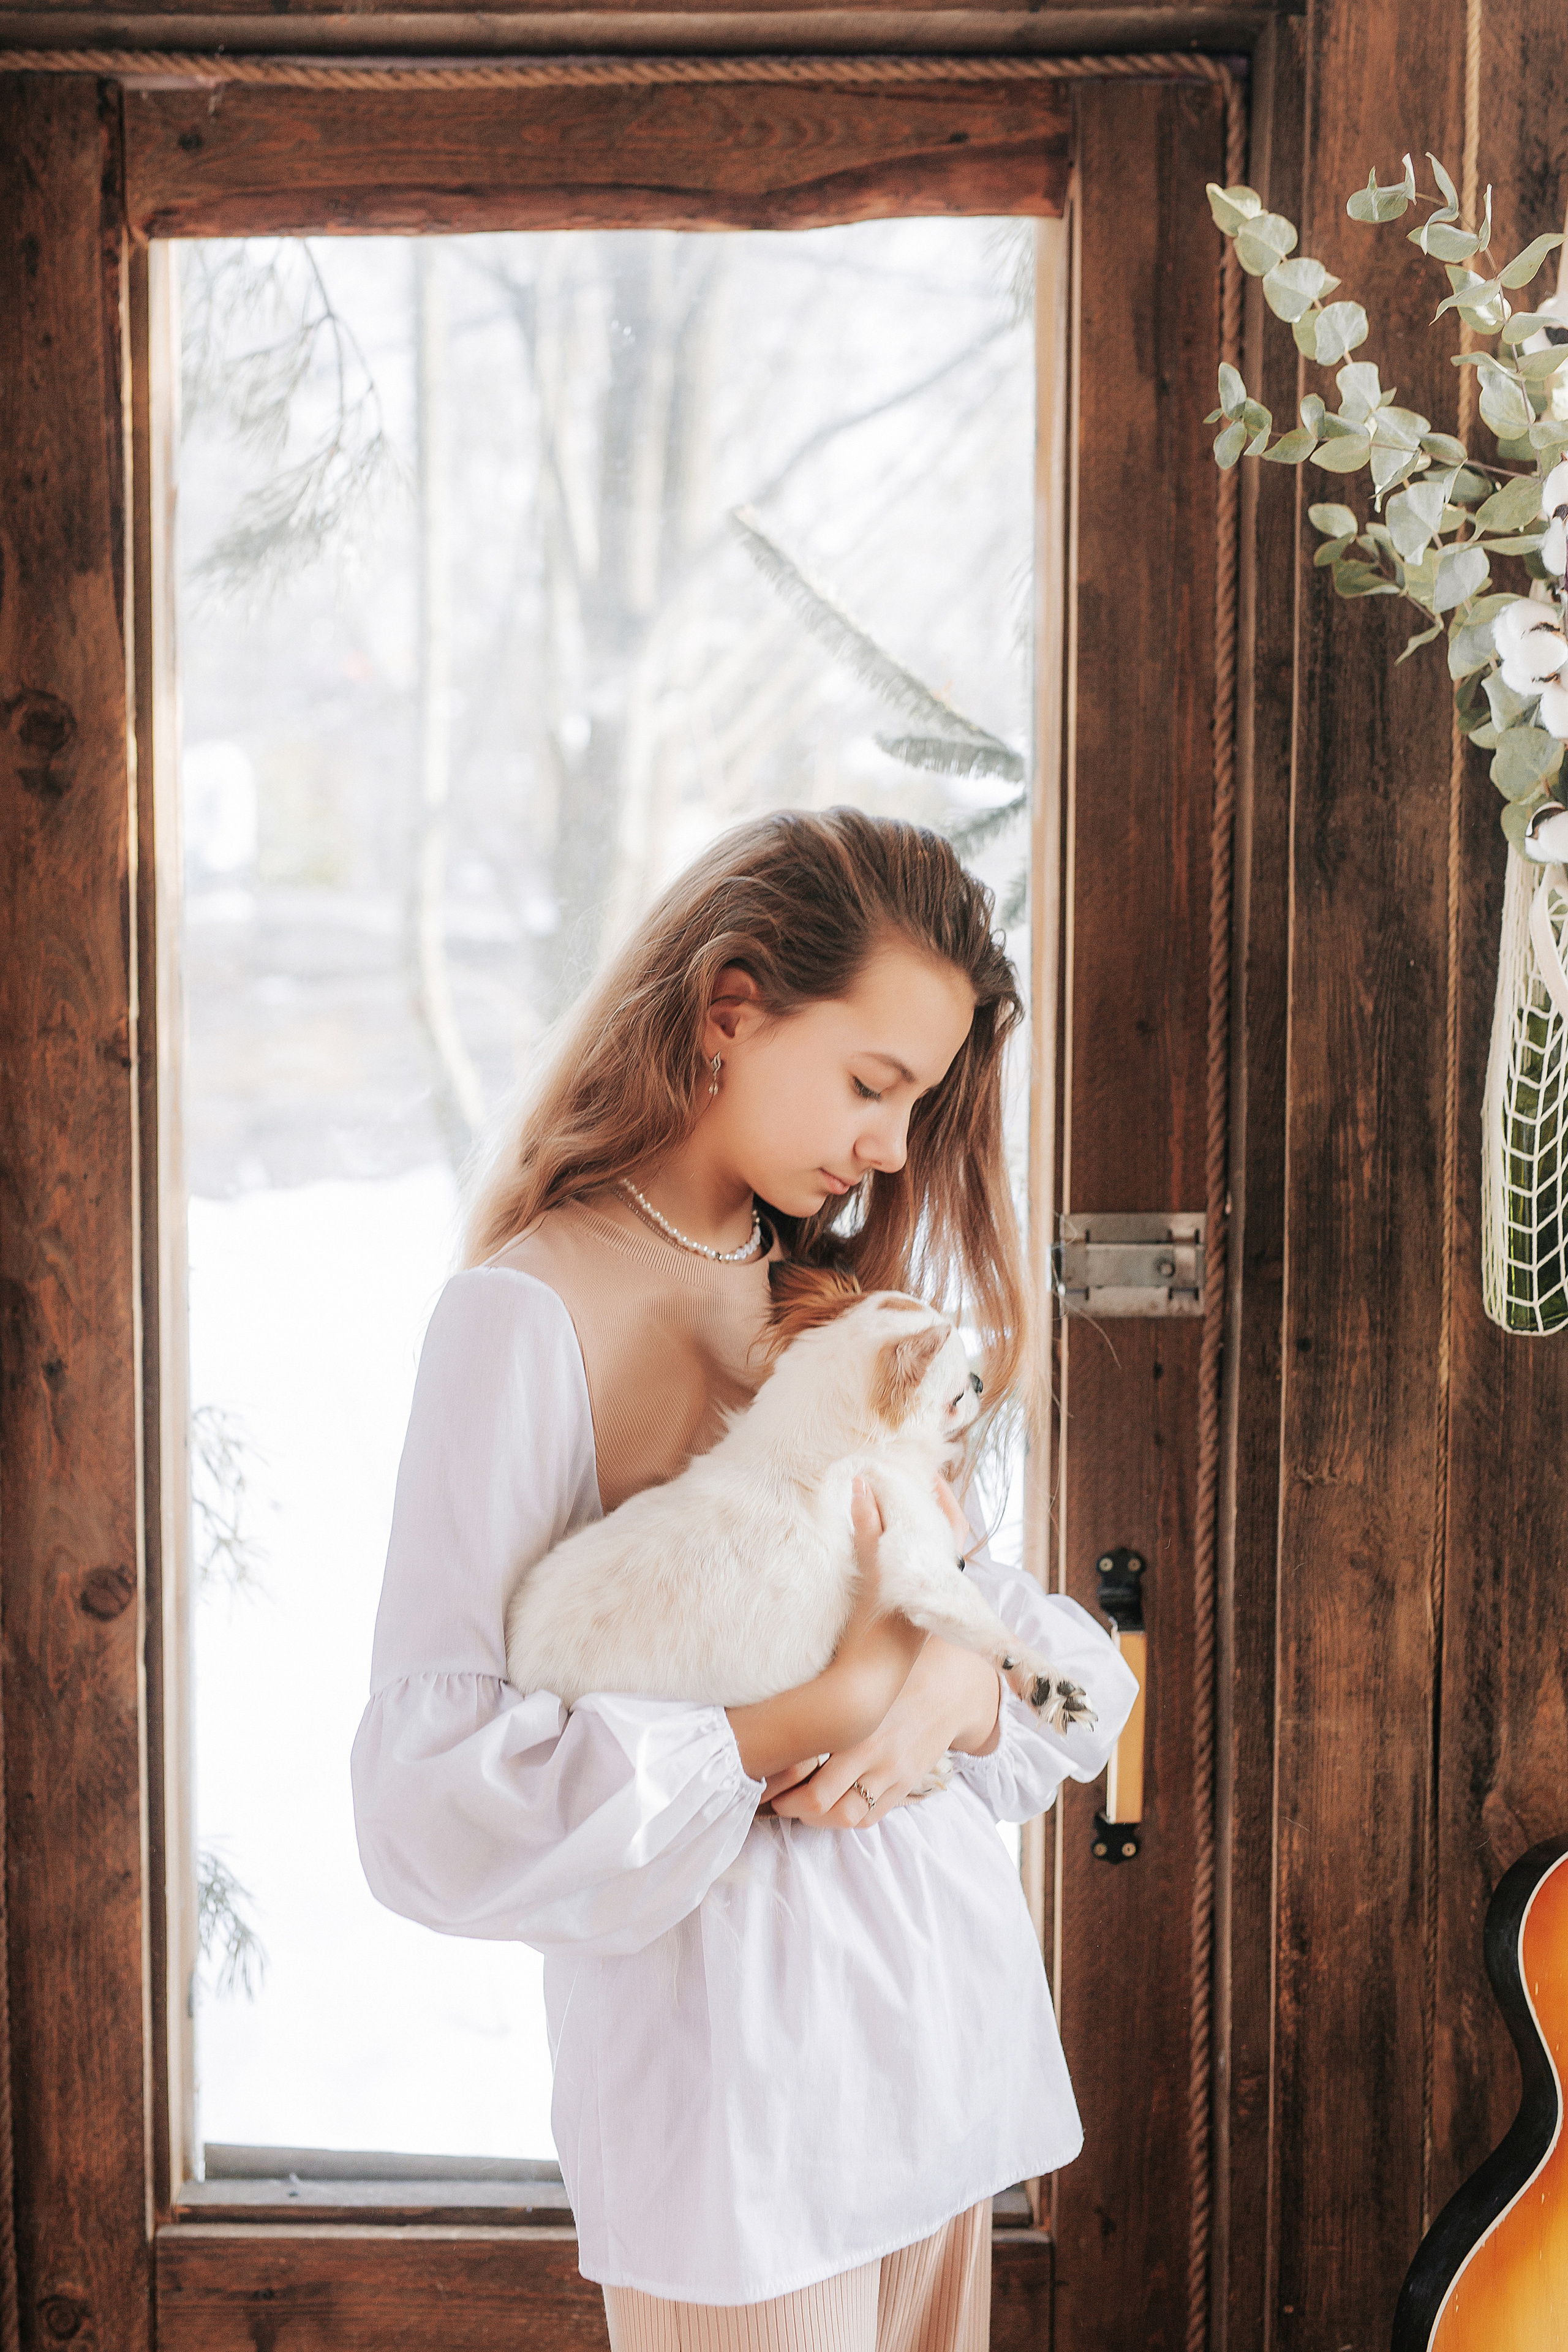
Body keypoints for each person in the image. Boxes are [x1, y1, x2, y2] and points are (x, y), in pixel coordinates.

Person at [351, 807, 1137, 2352]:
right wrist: (822, 1703)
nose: (893, 1149)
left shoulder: (823, 1301)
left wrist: (962, 1684)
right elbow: (428, 1796)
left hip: (933, 2069)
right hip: (739, 2127)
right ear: (730, 1011)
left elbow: (1056, 1682)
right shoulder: (525, 1318)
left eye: (919, 1102)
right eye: (871, 1084)